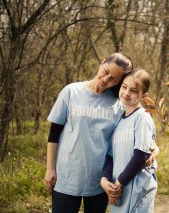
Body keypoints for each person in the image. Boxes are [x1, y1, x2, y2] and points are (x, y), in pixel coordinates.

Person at [43, 53, 136, 213]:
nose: (106, 79)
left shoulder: (118, 104)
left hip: (100, 181)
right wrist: (50, 168)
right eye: (106, 71)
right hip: (66, 176)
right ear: (102, 63)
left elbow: (133, 130)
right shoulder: (71, 91)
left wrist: (154, 150)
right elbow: (53, 135)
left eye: (113, 79)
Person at [101, 69, 158, 212]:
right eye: (124, 87)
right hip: (119, 190)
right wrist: (106, 180)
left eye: (133, 90)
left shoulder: (142, 117)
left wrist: (119, 184)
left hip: (137, 190)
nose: (126, 93)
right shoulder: (119, 119)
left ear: (143, 96)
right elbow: (111, 156)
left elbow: (140, 156)